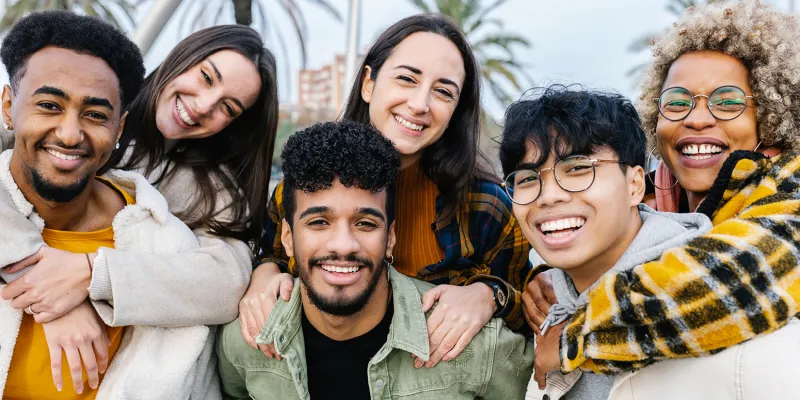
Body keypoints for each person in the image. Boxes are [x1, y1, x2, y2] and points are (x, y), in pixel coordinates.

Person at [523, 0, 800, 388]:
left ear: (770, 114)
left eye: (727, 102)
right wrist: (555, 275)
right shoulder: (655, 189)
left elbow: (736, 281)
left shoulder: (792, 186)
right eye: (677, 103)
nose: (696, 118)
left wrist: (576, 337)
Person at [0, 16, 278, 397]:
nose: (202, 106)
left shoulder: (213, 191)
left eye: (227, 108)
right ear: (181, 59)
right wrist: (46, 295)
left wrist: (93, 275)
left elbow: (225, 279)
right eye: (206, 78)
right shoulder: (83, 96)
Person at [243, 14, 533, 369]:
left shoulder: (487, 207)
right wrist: (264, 274)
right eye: (406, 79)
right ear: (369, 83)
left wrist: (489, 294)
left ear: (456, 110)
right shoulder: (304, 185)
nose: (420, 104)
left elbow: (529, 306)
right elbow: (275, 251)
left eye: (443, 91)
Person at [216, 120, 534, 400]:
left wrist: (491, 293)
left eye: (365, 223)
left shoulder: (476, 347)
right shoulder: (243, 340)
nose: (343, 245)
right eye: (319, 222)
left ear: (391, 237)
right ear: (287, 237)